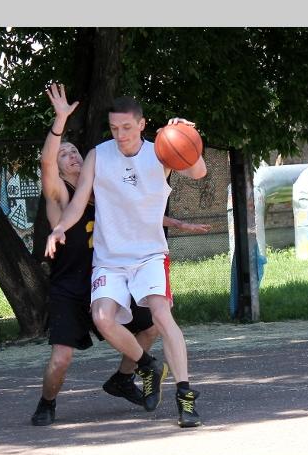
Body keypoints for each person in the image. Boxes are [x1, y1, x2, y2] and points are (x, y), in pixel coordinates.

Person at [31, 84, 209, 426]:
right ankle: (143, 366)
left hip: (148, 256)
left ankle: (184, 396)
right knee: (98, 322)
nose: (120, 134)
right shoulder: (95, 159)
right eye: (114, 128)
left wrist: (188, 135)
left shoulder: (159, 151)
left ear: (142, 125)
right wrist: (59, 228)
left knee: (160, 318)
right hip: (102, 265)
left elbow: (196, 173)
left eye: (127, 127)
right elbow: (72, 198)